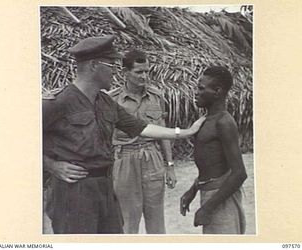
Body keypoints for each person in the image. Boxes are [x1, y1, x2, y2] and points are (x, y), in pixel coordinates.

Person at [42, 35, 206, 234]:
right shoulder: (58, 102)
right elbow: (19, 142)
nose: (115, 71)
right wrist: (51, 165)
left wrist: (186, 132)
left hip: (105, 187)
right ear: (94, 65)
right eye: (111, 64)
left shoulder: (105, 102)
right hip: (73, 192)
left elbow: (142, 127)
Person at [108, 50, 176, 234]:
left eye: (146, 71)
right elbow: (104, 138)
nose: (144, 76)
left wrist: (169, 165)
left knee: (156, 219)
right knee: (128, 220)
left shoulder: (156, 96)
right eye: (139, 72)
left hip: (152, 157)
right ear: (125, 72)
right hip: (125, 158)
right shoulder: (112, 99)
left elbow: (163, 133)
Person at [180, 66, 247, 234]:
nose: (195, 92)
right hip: (210, 195)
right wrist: (193, 190)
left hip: (221, 199)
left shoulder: (224, 122)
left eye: (201, 88)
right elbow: (212, 165)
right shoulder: (205, 120)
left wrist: (207, 209)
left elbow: (239, 173)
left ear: (217, 91)